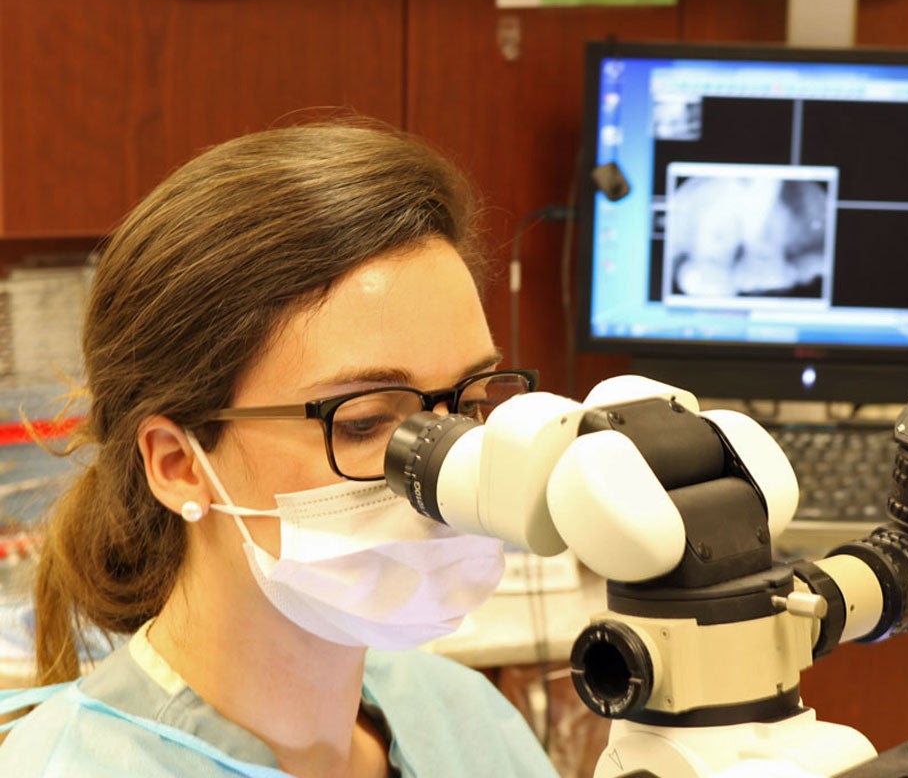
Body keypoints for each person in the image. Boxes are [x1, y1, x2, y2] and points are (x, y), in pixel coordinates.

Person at [0, 118, 559, 777]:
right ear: (178, 465)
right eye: (368, 419)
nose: (446, 468)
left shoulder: (460, 716)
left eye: (469, 404)